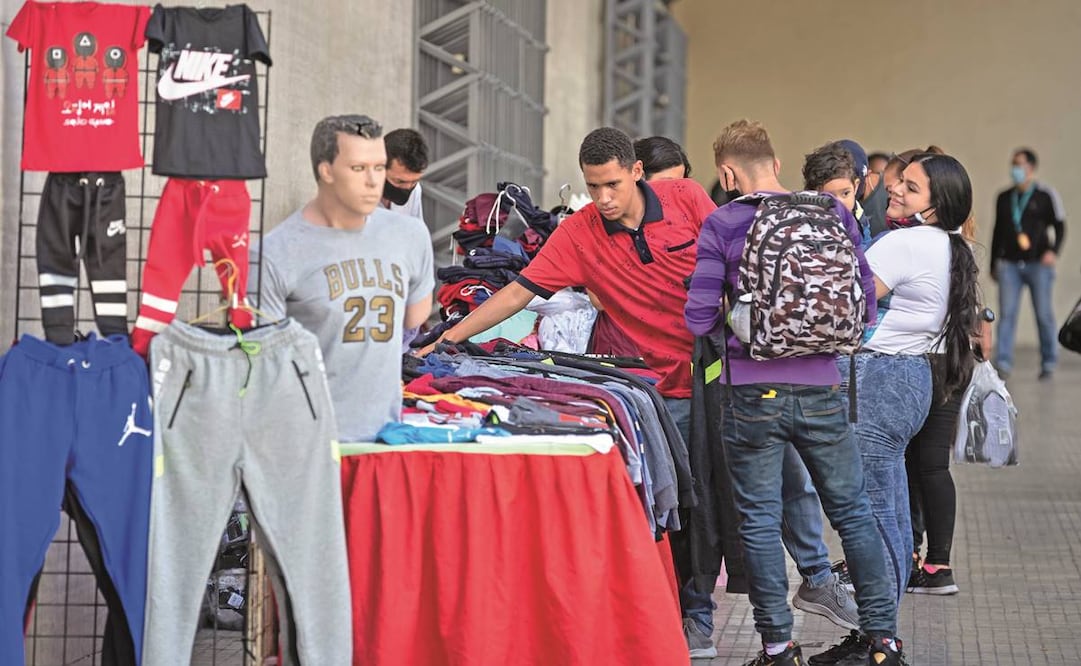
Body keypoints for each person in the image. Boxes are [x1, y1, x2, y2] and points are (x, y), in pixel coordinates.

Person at [685, 119, 903, 666]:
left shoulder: (723, 222)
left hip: (751, 393)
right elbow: (865, 304)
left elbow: (698, 316)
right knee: (852, 513)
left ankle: (779, 649)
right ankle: (882, 641)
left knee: (760, 519)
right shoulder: (831, 212)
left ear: (727, 174)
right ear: (777, 165)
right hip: (824, 388)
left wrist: (739, 323)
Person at [256, 114, 435, 442]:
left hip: (382, 435)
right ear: (327, 171)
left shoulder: (410, 233)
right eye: (358, 168)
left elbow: (414, 308)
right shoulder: (275, 254)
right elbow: (264, 363)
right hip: (307, 439)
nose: (372, 181)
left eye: (377, 168)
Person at [991, 147, 1065, 380]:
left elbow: (1060, 226)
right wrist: (994, 263)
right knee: (1007, 314)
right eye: (1013, 164)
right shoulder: (1004, 198)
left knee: (1043, 314)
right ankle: (1003, 361)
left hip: (1038, 265)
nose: (1015, 169)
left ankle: (1049, 361)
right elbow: (997, 231)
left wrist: (1053, 252)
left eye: (1020, 164)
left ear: (1031, 168)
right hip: (1009, 265)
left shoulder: (1045, 195)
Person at [380, 127, 430, 221]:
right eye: (400, 181)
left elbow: (415, 227)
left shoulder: (415, 190)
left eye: (414, 181)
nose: (407, 187)